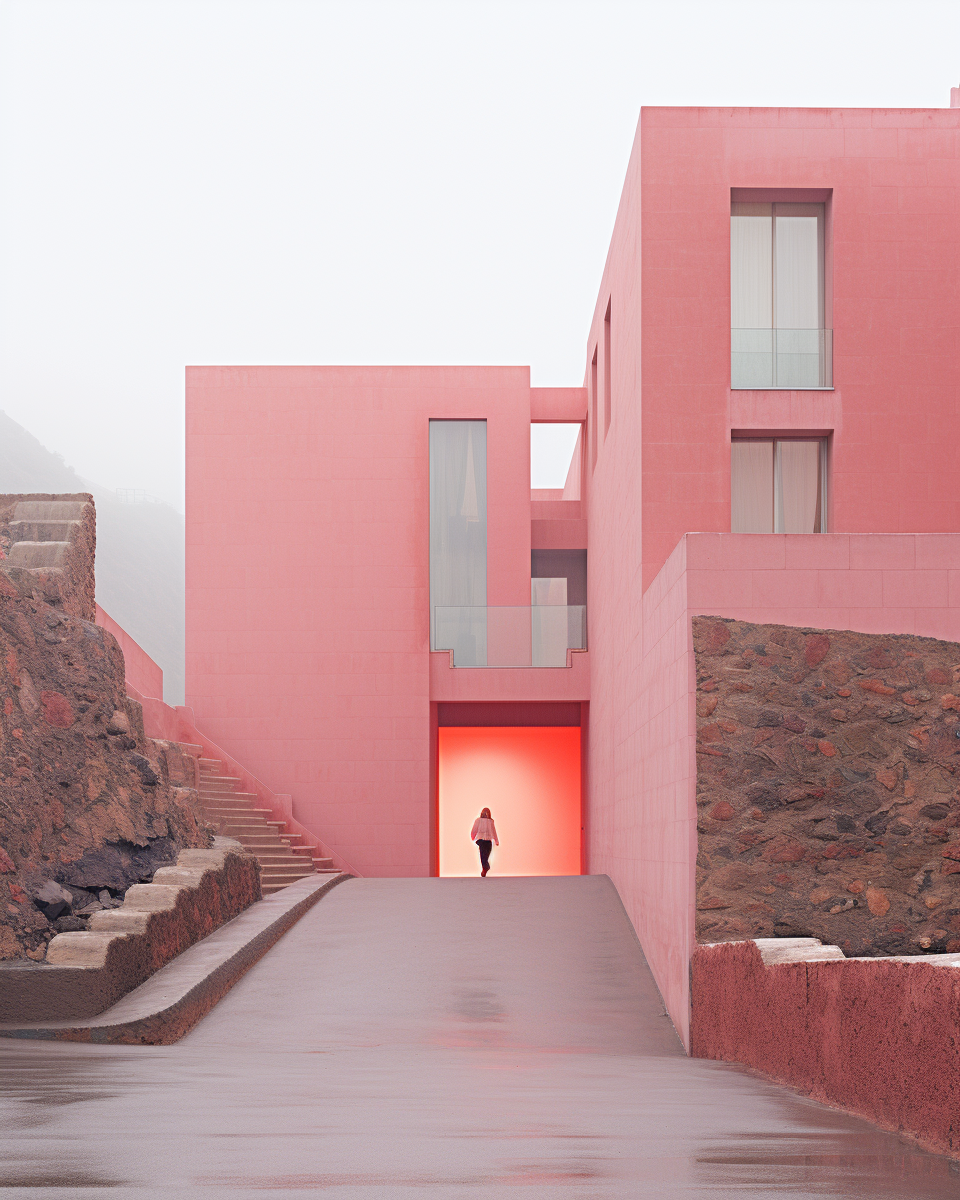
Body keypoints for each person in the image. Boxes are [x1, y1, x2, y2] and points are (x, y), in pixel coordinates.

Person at [470, 807, 499, 877]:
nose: (486, 814)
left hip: (488, 841)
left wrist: (496, 840)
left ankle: (485, 869)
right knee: (483, 855)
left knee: (486, 856)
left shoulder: (491, 821)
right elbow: (474, 829)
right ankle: (485, 868)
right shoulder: (478, 820)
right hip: (481, 840)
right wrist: (473, 836)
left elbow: (494, 831)